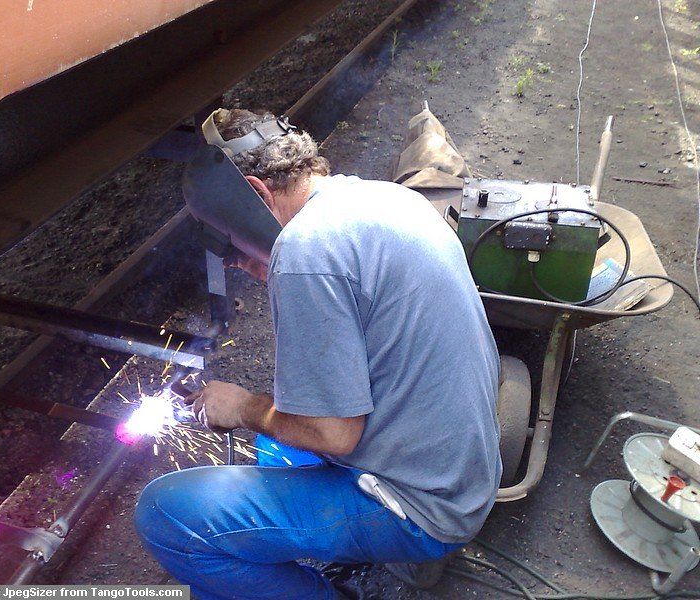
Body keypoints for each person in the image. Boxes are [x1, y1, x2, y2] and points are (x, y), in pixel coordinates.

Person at [134, 108, 501, 600]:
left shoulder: (308, 251)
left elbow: (332, 433)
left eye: (232, 241)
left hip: (421, 508)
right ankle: (396, 556)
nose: (239, 260)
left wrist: (242, 406)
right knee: (270, 448)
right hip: (463, 471)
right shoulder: (387, 198)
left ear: (259, 194)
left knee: (165, 513)